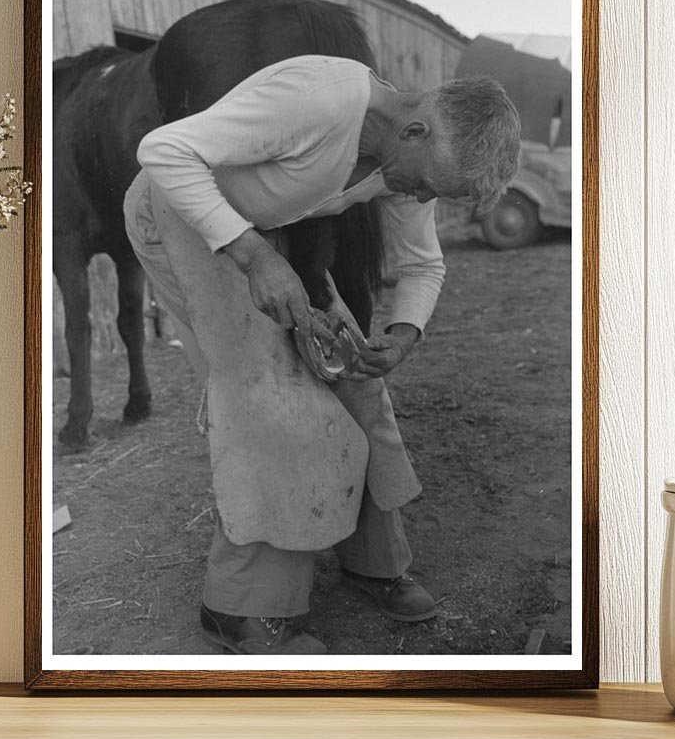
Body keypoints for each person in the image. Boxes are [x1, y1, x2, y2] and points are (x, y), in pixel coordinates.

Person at [123, 53, 520, 655]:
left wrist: (404, 334)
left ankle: (372, 563)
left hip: (268, 229)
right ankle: (237, 608)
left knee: (357, 383)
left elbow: (422, 263)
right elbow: (163, 151)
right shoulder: (321, 99)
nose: (416, 196)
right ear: (417, 130)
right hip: (182, 211)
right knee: (269, 398)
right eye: (426, 184)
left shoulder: (410, 157)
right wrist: (255, 258)